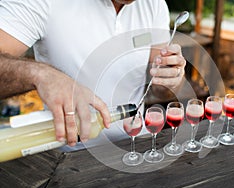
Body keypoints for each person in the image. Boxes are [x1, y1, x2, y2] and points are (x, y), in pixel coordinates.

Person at [0, 0, 186, 147]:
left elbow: (161, 88)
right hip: (67, 154)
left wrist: (172, 79)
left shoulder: (154, 5)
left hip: (136, 144)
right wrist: (39, 74)